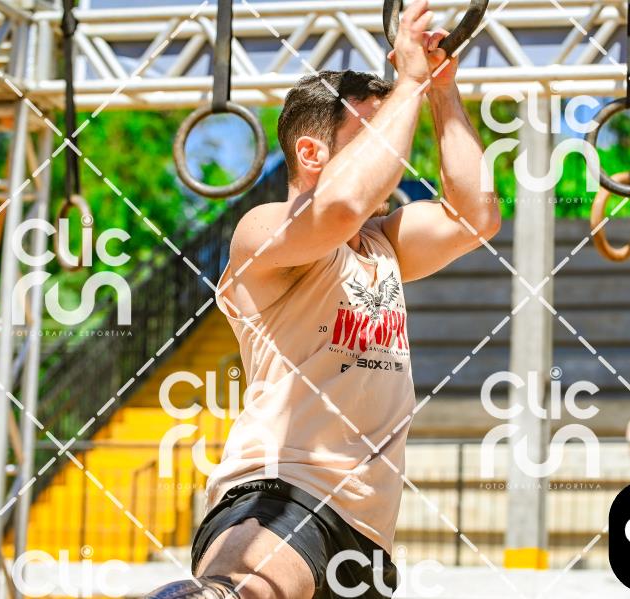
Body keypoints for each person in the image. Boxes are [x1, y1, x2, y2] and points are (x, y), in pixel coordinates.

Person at [147, 1, 500, 598]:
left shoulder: (384, 244)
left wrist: (439, 91)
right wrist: (408, 83)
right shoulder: (263, 231)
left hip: (368, 532)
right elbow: (337, 206)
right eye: (373, 136)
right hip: (279, 492)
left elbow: (477, 215)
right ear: (312, 154)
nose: (394, 154)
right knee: (237, 592)